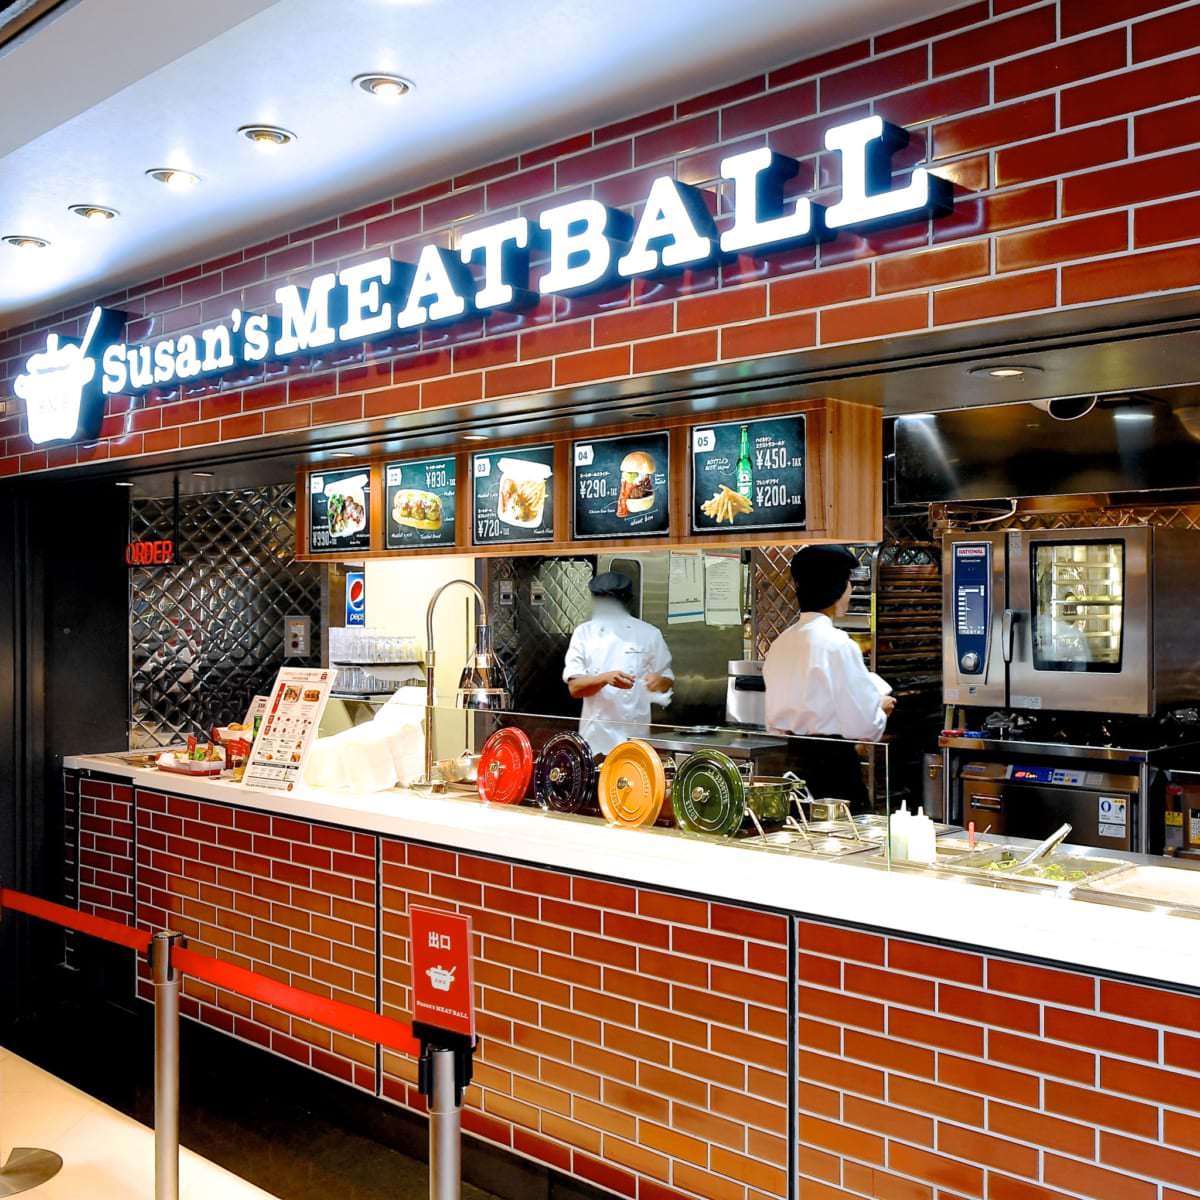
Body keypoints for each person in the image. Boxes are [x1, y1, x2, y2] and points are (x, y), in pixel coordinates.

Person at [762, 545, 895, 808]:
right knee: (844, 833)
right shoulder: (839, 645)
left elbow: (774, 723)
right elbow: (864, 726)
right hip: (834, 771)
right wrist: (880, 709)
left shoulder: (780, 643)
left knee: (799, 829)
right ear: (837, 589)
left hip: (793, 767)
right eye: (848, 583)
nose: (850, 591)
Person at [563, 571, 674, 756]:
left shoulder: (649, 634)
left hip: (635, 739)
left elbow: (667, 681)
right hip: (596, 740)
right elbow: (575, 688)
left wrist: (659, 681)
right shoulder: (584, 634)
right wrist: (604, 678)